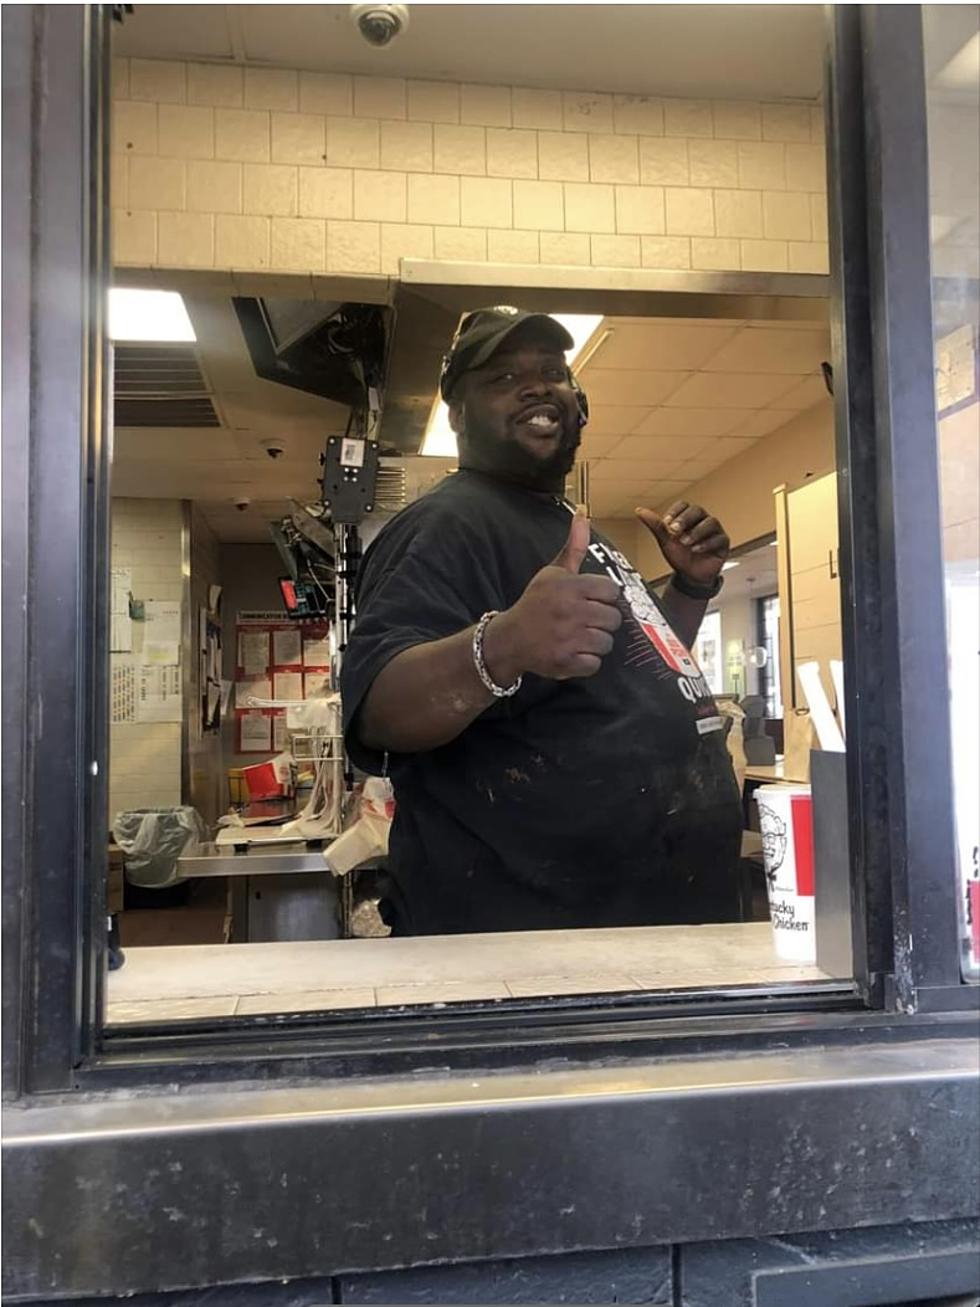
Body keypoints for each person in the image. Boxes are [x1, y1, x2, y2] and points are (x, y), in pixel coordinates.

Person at [341, 306, 742, 936]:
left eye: (553, 373)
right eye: (501, 379)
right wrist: (503, 645)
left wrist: (690, 588)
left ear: (577, 404)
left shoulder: (571, 528)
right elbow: (377, 713)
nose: (535, 387)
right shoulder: (449, 525)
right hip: (534, 942)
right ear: (458, 416)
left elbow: (634, 677)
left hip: (643, 925)